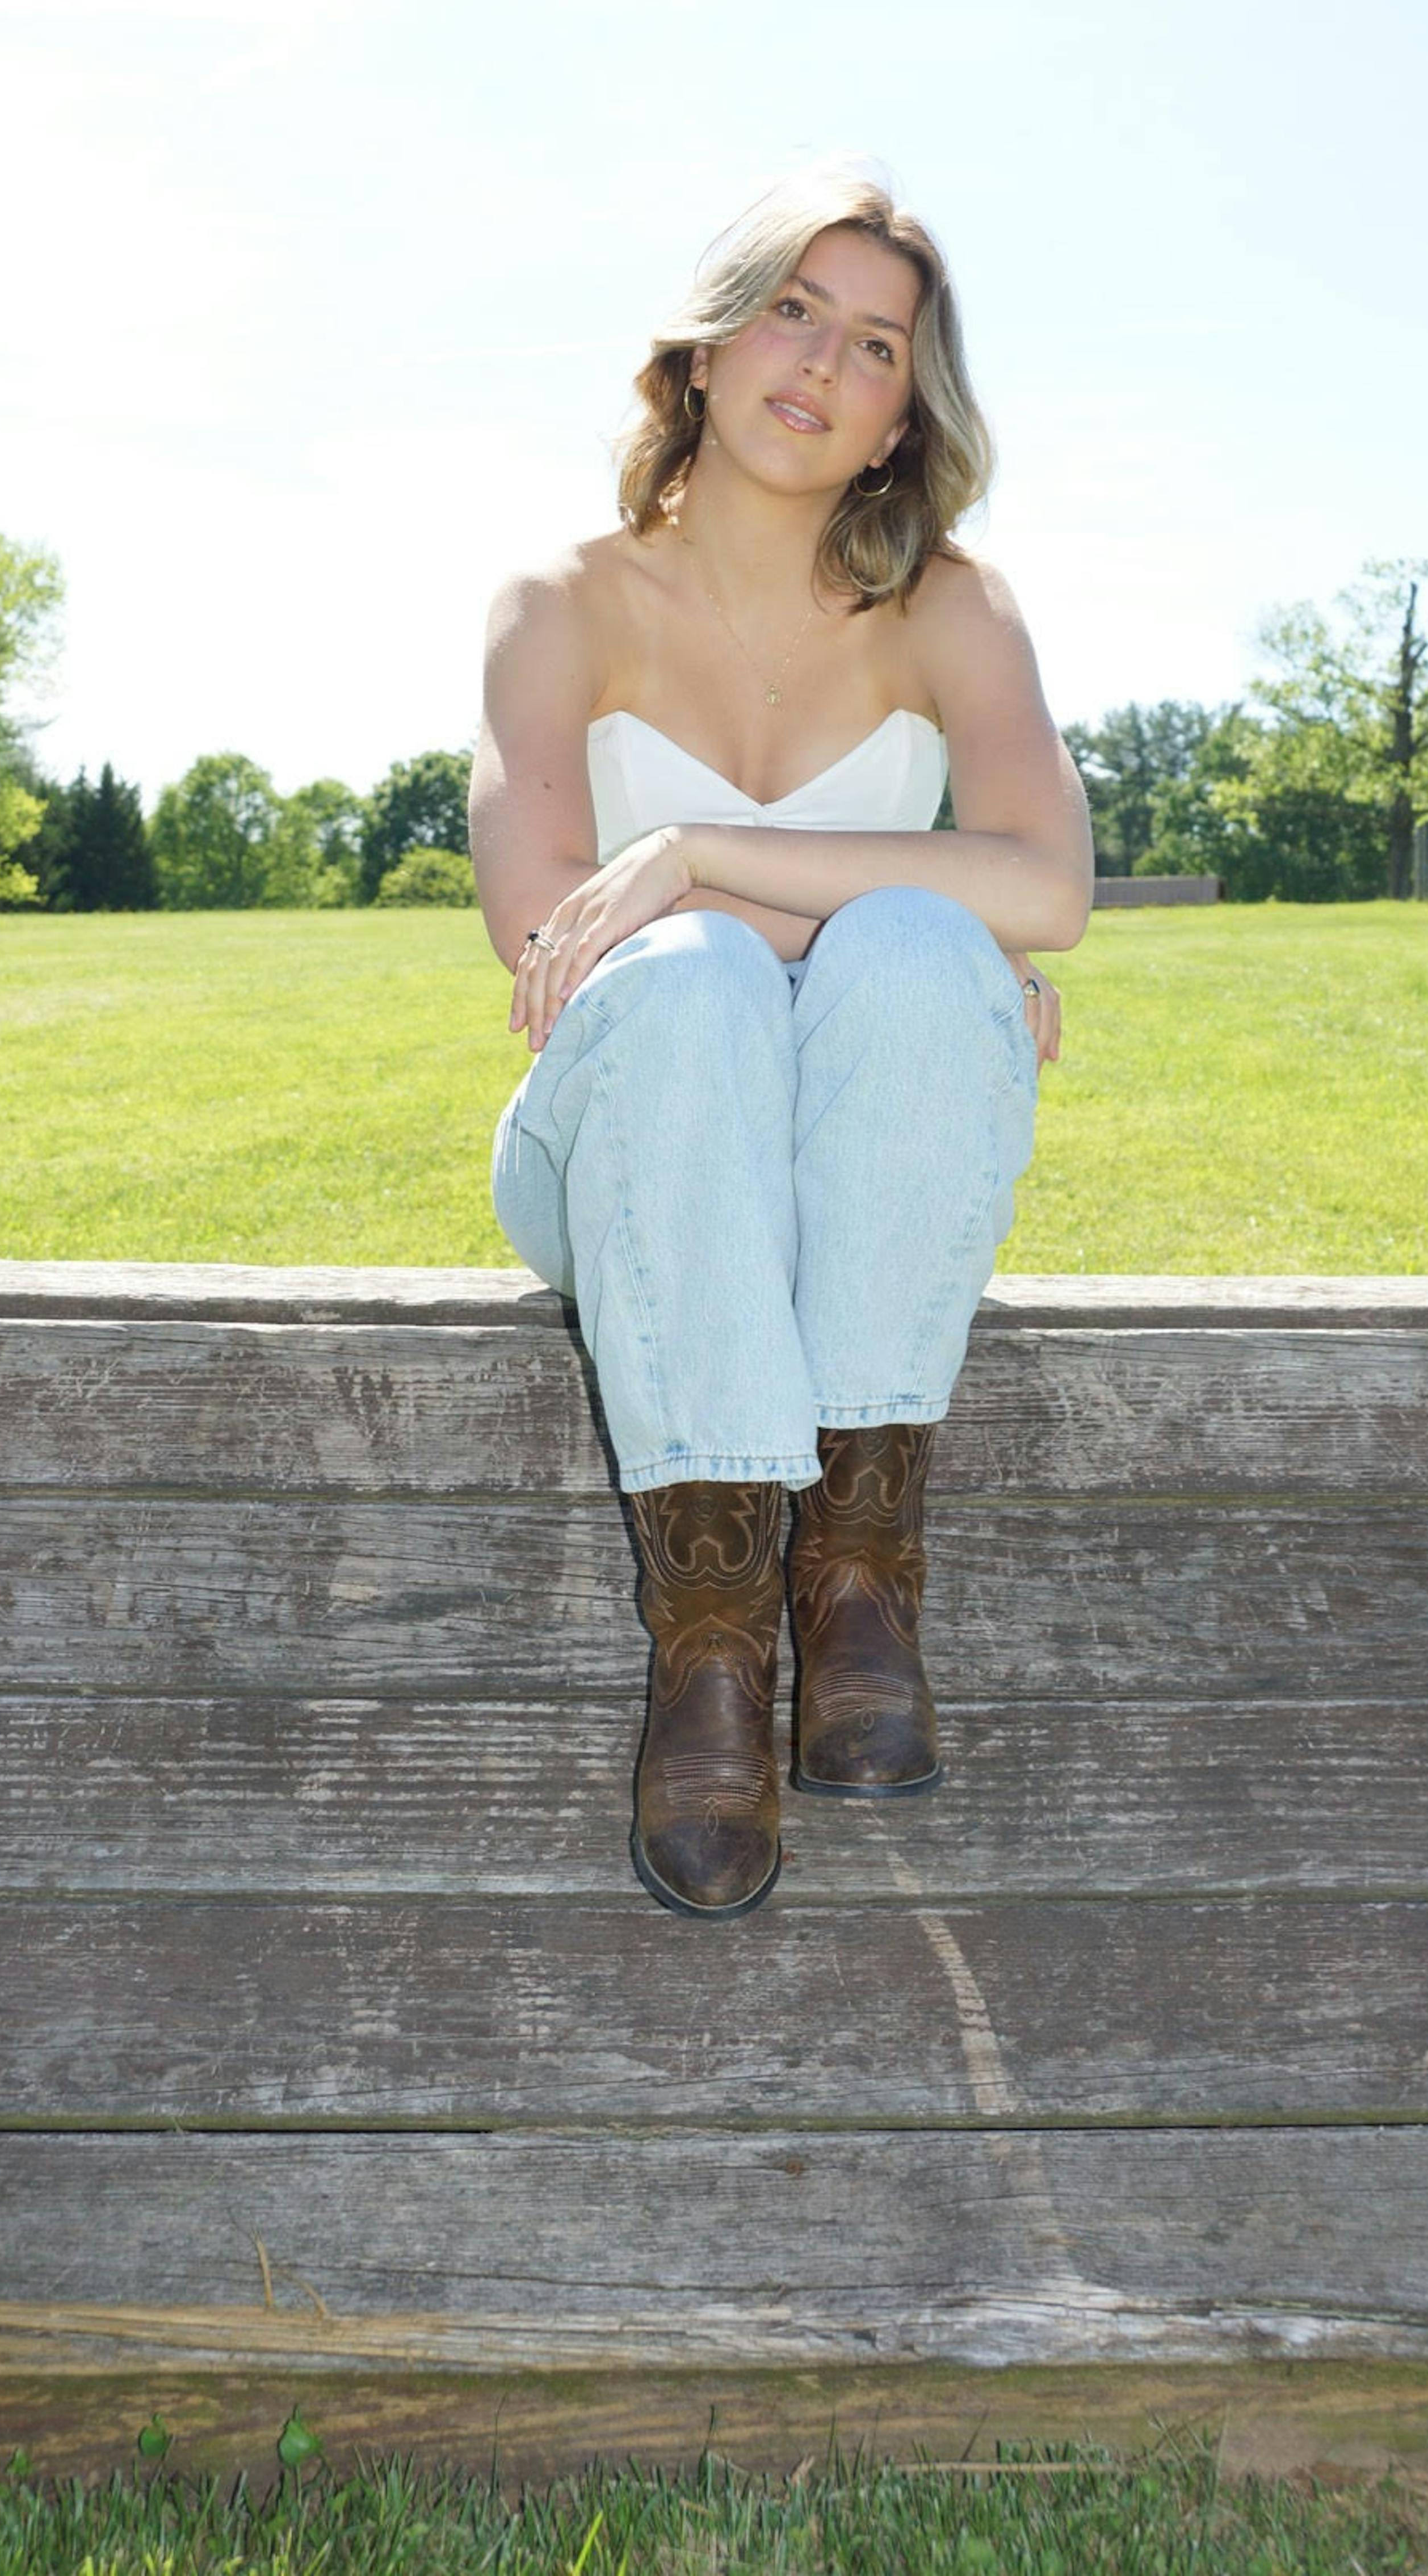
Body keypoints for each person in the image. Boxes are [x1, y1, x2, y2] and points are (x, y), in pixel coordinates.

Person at [469, 165, 1093, 1921]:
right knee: (719, 975)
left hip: (853, 1170)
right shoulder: (558, 602)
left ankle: (862, 1586)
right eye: (793, 309)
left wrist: (723, 859)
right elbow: (553, 932)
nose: (821, 358)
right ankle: (717, 1645)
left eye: (877, 341)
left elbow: (1049, 882)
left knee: (911, 954)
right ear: (712, 340)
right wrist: (900, 928)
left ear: (908, 412)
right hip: (621, 1146)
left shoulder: (953, 609)